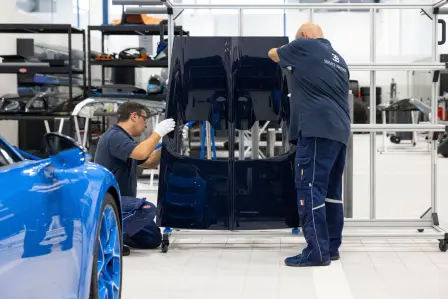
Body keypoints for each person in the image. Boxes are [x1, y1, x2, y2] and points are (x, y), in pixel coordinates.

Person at [268, 22, 351, 267]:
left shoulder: (304, 45)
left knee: (310, 189)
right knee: (331, 194)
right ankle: (331, 247)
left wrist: (287, 47)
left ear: (303, 36)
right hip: (339, 130)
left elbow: (273, 54)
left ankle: (316, 251)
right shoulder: (339, 59)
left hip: (316, 129)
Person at [94, 101, 175, 256]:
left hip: (123, 205)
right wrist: (157, 133)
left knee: (152, 238)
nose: (146, 125)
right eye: (145, 120)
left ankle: (119, 233)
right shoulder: (115, 136)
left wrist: (167, 145)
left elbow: (149, 161)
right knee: (147, 209)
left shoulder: (125, 139)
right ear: (134, 116)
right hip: (110, 204)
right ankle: (107, 239)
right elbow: (141, 153)